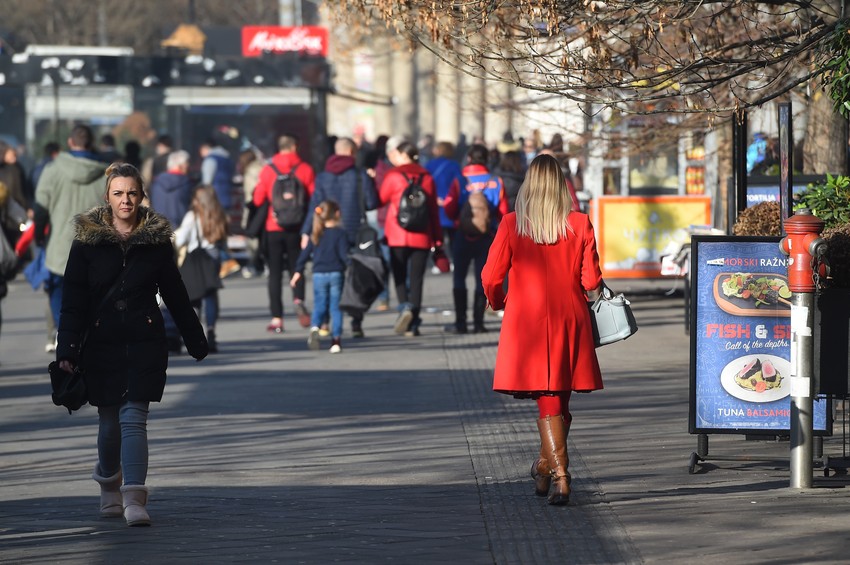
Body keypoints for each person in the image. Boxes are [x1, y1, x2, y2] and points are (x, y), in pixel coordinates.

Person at [56, 162, 208, 526]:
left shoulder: (155, 243)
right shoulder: (86, 243)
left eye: (132, 194)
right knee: (109, 423)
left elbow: (175, 293)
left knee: (134, 417)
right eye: (119, 193)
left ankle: (135, 498)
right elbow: (73, 301)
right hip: (101, 342)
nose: (126, 200)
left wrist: (194, 338)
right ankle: (109, 486)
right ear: (107, 197)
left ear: (141, 196)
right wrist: (67, 351)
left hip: (144, 341)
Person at [480, 154, 603, 507]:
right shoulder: (579, 223)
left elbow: (490, 277)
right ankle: (546, 469)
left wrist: (499, 300)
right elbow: (591, 280)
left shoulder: (512, 223)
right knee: (558, 398)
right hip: (569, 316)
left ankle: (558, 474)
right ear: (562, 185)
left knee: (551, 398)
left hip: (527, 321)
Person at [34, 124, 109, 330]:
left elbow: (40, 209)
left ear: (70, 142)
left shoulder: (52, 170)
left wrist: (39, 236)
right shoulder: (104, 174)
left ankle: (63, 331)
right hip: (95, 246)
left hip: (60, 245)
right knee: (91, 293)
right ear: (91, 142)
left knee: (59, 291)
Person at [301, 137, 378, 337]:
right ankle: (356, 321)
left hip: (327, 231)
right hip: (355, 232)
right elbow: (371, 203)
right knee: (355, 277)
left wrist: (306, 231)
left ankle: (324, 322)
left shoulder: (323, 177)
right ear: (352, 152)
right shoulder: (360, 175)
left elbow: (315, 207)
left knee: (328, 272)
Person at [252, 134, 316, 333]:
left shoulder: (268, 170)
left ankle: (277, 318)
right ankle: (298, 299)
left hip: (274, 227)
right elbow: (313, 197)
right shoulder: (305, 169)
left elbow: (257, 199)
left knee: (275, 274)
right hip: (297, 228)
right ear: (295, 147)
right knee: (297, 268)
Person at [378, 141, 443, 337]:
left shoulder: (394, 176)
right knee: (417, 280)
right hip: (422, 234)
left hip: (397, 233)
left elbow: (381, 198)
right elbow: (433, 211)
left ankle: (404, 308)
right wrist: (437, 240)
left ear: (403, 155)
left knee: (399, 276)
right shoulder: (427, 177)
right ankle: (413, 323)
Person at [443, 143, 509, 334]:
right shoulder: (496, 182)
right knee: (483, 278)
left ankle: (461, 323)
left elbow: (448, 208)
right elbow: (503, 212)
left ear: (469, 159)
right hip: (487, 237)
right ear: (487, 159)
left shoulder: (460, 180)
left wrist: (458, 220)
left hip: (462, 236)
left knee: (459, 277)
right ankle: (479, 323)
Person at [174, 185, 228, 353]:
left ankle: (195, 335)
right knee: (211, 296)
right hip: (213, 257)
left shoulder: (193, 216)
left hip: (195, 258)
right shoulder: (219, 215)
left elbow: (181, 238)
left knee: (193, 298)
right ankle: (211, 331)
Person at [291, 200, 350, 354]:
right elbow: (344, 256)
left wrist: (298, 271)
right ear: (337, 214)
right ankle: (336, 340)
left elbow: (304, 255)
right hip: (336, 273)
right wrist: (351, 267)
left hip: (318, 274)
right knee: (336, 307)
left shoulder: (316, 233)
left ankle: (315, 327)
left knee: (319, 304)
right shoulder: (340, 233)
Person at [426, 141, 465, 265]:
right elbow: (458, 184)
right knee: (453, 237)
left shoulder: (429, 165)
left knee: (437, 237)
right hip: (450, 205)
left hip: (434, 205)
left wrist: (434, 198)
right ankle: (454, 261)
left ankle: (438, 262)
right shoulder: (454, 165)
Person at [148, 150, 193, 229]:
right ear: (181, 165)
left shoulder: (156, 183)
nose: (189, 167)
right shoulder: (187, 184)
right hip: (179, 230)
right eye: (187, 163)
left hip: (158, 229)